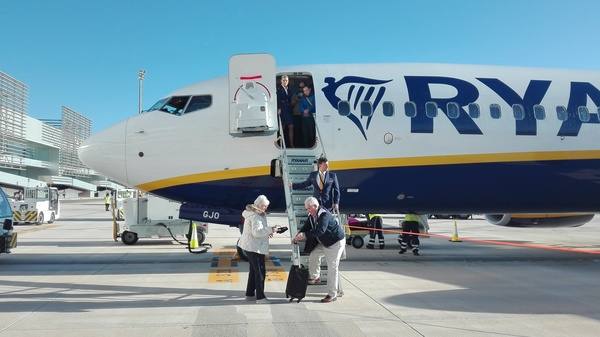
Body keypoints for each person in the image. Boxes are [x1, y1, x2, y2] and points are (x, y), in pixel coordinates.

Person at [293, 197, 345, 303]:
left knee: (332, 268)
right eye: (306, 209)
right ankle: (315, 277)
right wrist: (298, 235)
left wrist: (305, 236)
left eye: (308, 209)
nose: (307, 211)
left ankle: (332, 294)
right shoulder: (312, 215)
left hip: (335, 243)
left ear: (315, 206)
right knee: (314, 255)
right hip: (325, 242)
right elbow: (306, 227)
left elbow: (320, 231)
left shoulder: (324, 215)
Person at [237, 195, 281, 304]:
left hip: (251, 245)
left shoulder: (253, 213)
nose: (266, 208)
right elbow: (256, 233)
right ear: (259, 205)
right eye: (264, 206)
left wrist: (268, 232)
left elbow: (259, 231)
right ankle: (260, 298)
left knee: (254, 271)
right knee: (260, 272)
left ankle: (250, 295)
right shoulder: (256, 215)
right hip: (254, 247)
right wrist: (271, 229)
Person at [277, 75, 294, 148]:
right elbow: (277, 99)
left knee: (291, 126)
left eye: (286, 80)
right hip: (282, 110)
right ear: (281, 81)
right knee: (282, 127)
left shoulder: (289, 89)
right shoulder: (278, 89)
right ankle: (281, 144)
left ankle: (291, 144)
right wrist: (279, 108)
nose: (285, 82)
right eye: (283, 80)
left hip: (288, 109)